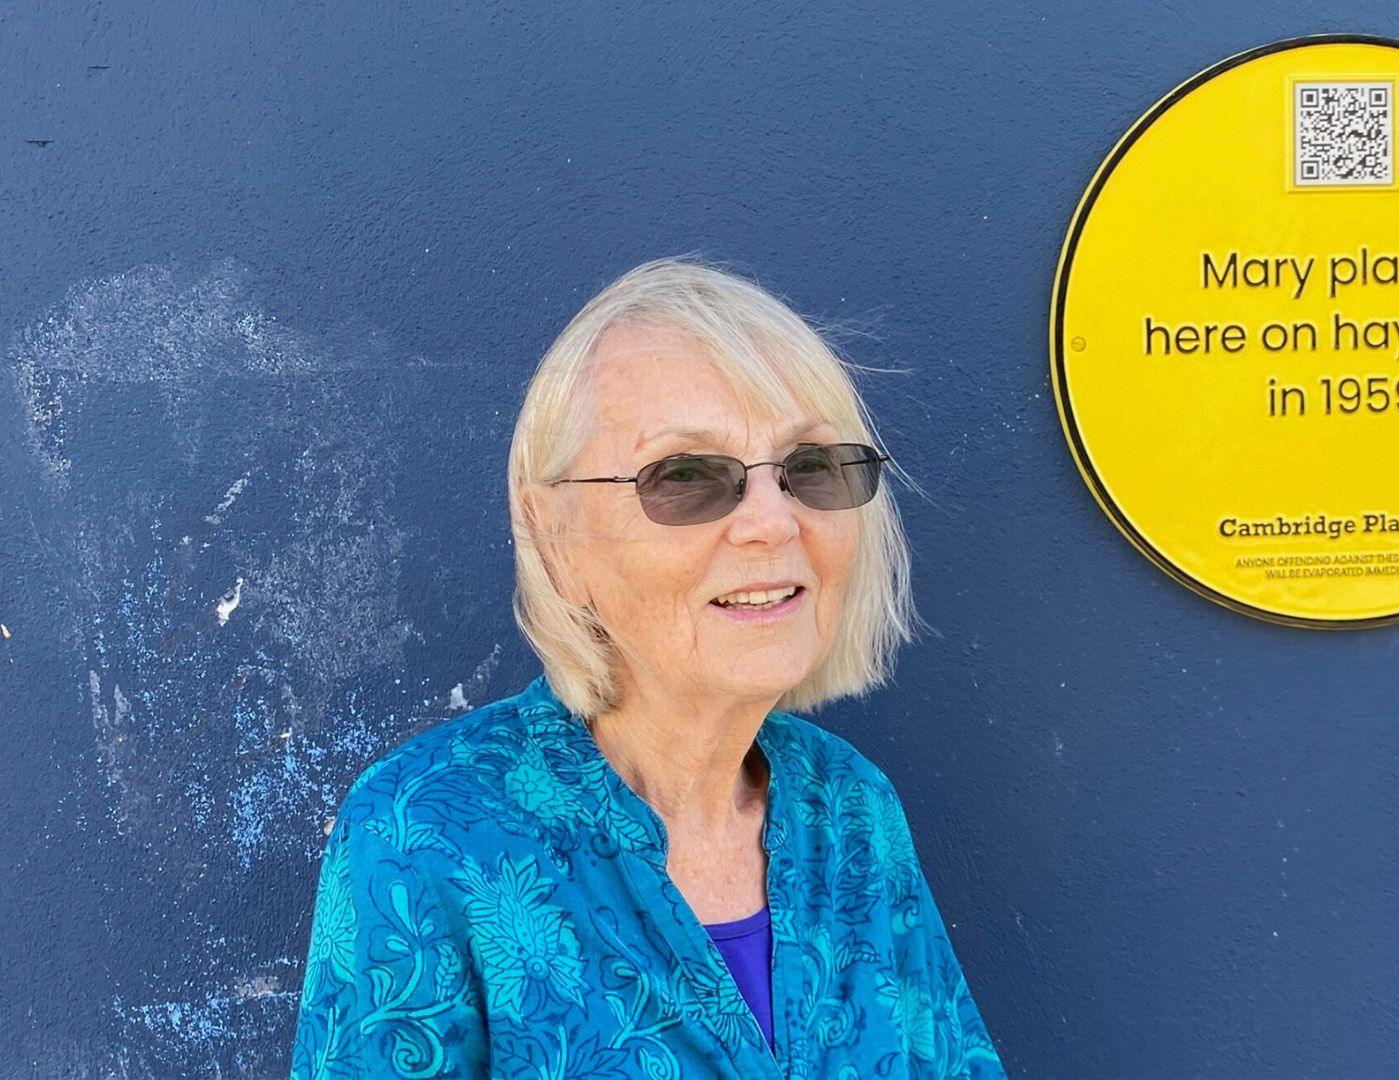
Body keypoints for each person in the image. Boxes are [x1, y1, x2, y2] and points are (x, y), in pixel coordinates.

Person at [290, 256, 1006, 1078]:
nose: (773, 523)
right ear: (554, 532)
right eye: (689, 477)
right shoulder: (426, 834)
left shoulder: (851, 812)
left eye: (810, 467)